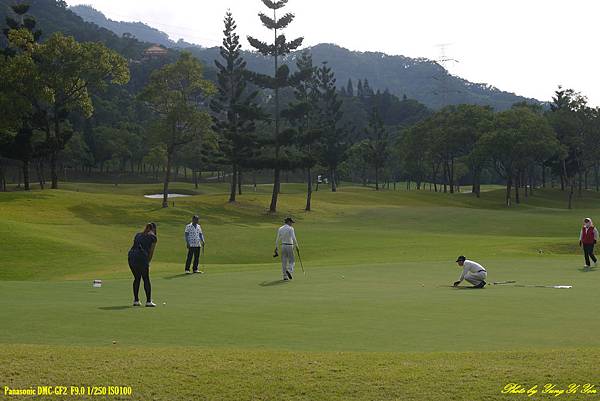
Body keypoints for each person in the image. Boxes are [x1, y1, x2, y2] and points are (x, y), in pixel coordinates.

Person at [128, 222, 157, 307]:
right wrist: (148, 262)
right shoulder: (153, 237)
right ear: (153, 229)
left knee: (137, 278)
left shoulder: (138, 235)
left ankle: (136, 301)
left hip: (131, 257)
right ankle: (148, 301)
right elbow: (151, 252)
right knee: (146, 278)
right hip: (141, 257)